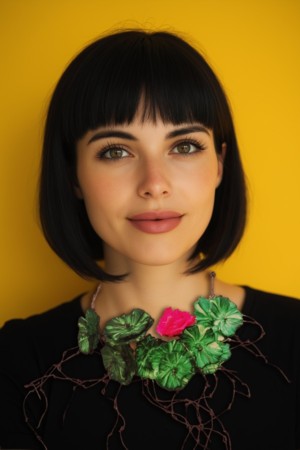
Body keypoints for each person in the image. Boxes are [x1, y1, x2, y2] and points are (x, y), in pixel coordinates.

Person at [0, 29, 299, 450]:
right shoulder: (18, 363)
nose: (154, 184)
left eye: (185, 146)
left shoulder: (293, 341)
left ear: (219, 164)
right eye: (116, 151)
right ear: (73, 176)